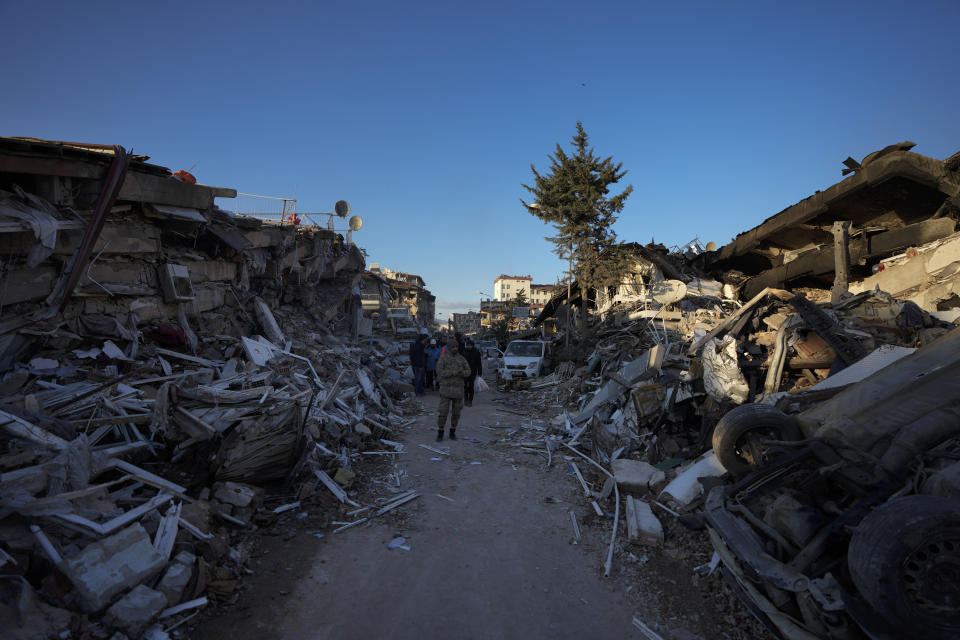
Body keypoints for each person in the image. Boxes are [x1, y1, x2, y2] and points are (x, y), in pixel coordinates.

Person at [435, 338, 470, 441]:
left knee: (456, 413)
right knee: (443, 413)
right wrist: (452, 372)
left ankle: (452, 432)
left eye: (456, 347)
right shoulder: (443, 358)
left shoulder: (462, 359)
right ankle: (440, 433)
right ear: (449, 348)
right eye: (453, 347)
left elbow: (468, 371)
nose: (455, 348)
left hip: (458, 391)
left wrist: (461, 373)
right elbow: (439, 372)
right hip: (446, 390)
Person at [461, 339, 482, 406]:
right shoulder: (464, 352)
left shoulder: (476, 352)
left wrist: (479, 373)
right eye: (468, 345)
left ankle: (470, 400)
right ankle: (466, 399)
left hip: (473, 371)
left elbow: (479, 363)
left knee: (471, 386)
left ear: (472, 345)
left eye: (470, 345)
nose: (469, 346)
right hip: (465, 371)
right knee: (465, 386)